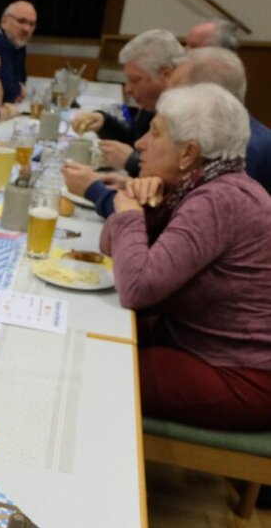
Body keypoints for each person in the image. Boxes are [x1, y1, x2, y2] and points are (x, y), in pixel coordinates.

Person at [99, 84, 271, 431]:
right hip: (194, 340)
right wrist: (145, 207)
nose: (140, 143)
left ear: (189, 153)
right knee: (93, 335)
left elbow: (136, 288)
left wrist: (131, 212)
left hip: (241, 373)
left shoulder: (219, 200)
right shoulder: (200, 188)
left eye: (155, 133)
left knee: (99, 373)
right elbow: (109, 247)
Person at [64, 46, 271, 212]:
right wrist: (132, 187)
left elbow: (170, 229)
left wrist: (95, 190)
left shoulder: (239, 152)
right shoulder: (231, 135)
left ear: (207, 97)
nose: (167, 98)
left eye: (175, 91)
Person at [70, 29, 184, 175]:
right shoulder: (153, 104)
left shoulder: (186, 114)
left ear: (166, 75)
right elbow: (133, 139)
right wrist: (104, 122)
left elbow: (176, 179)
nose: (128, 89)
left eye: (135, 80)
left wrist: (131, 161)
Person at [0, 1, 38, 103]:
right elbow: (8, 93)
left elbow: (22, 78)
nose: (27, 29)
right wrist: (19, 89)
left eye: (32, 24)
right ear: (4, 20)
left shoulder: (17, 42)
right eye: (21, 21)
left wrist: (19, 87)